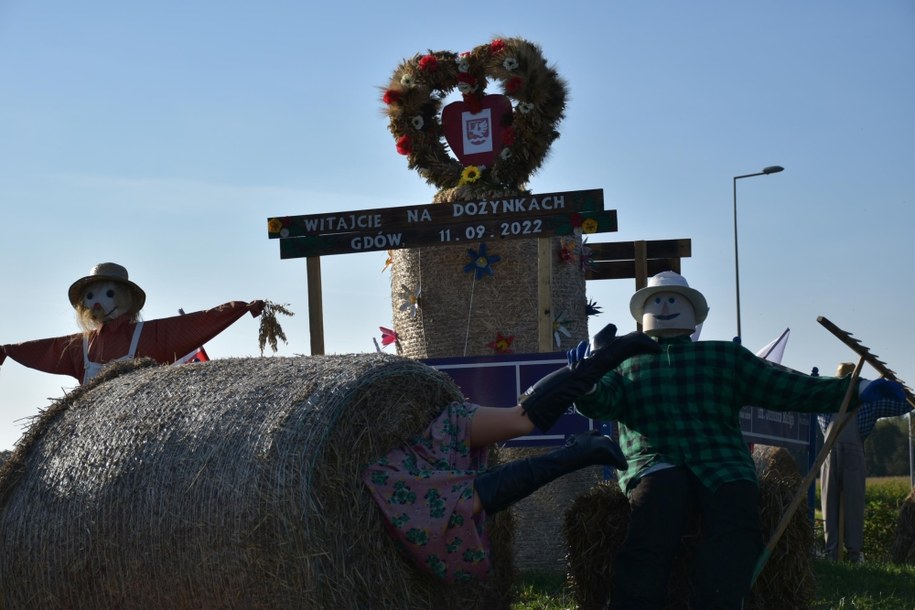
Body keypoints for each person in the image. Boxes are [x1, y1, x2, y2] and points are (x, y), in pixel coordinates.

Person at [531, 270, 907, 609]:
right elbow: (604, 402)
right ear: (643, 314)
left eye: (672, 300)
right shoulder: (623, 364)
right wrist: (588, 381)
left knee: (735, 517)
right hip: (654, 461)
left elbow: (789, 388)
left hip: (722, 462)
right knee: (654, 516)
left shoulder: (725, 356)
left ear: (693, 312)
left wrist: (857, 389)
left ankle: (721, 601)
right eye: (656, 301)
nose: (664, 306)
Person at [361, 325, 660, 584]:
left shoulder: (379, 478)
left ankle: (579, 448)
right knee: (520, 418)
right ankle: (599, 359)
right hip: (435, 437)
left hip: (421, 463)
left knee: (452, 501)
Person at [0, 262, 266, 384]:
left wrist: (239, 309)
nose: (97, 303)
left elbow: (198, 322)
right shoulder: (78, 347)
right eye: (90, 296)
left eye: (108, 295)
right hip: (88, 427)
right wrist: (10, 350)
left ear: (127, 299)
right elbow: (43, 349)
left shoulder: (149, 335)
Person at [818, 362, 913, 563]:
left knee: (847, 503)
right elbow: (904, 403)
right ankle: (838, 552)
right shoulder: (858, 402)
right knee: (834, 503)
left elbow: (905, 404)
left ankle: (846, 553)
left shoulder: (840, 401)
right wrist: (897, 388)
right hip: (836, 455)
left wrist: (894, 385)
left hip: (837, 454)